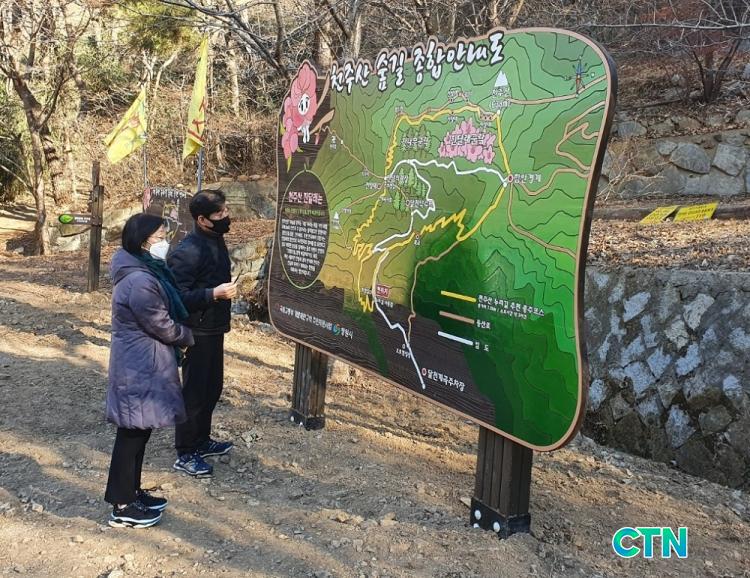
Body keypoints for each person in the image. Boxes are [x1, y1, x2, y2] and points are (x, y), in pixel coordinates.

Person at [105, 213, 194, 528]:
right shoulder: (140, 281)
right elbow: (161, 324)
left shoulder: (142, 269)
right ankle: (122, 505)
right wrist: (186, 336)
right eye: (159, 237)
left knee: (139, 432)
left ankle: (133, 492)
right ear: (142, 240)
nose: (164, 242)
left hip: (143, 361)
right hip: (138, 366)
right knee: (131, 434)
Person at [168, 190, 237, 477]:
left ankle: (202, 440)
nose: (225, 217)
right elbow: (176, 297)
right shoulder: (188, 251)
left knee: (212, 388)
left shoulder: (215, 238)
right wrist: (213, 294)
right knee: (194, 393)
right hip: (196, 331)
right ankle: (185, 452)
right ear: (202, 220)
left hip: (215, 327)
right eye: (219, 214)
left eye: (225, 211)